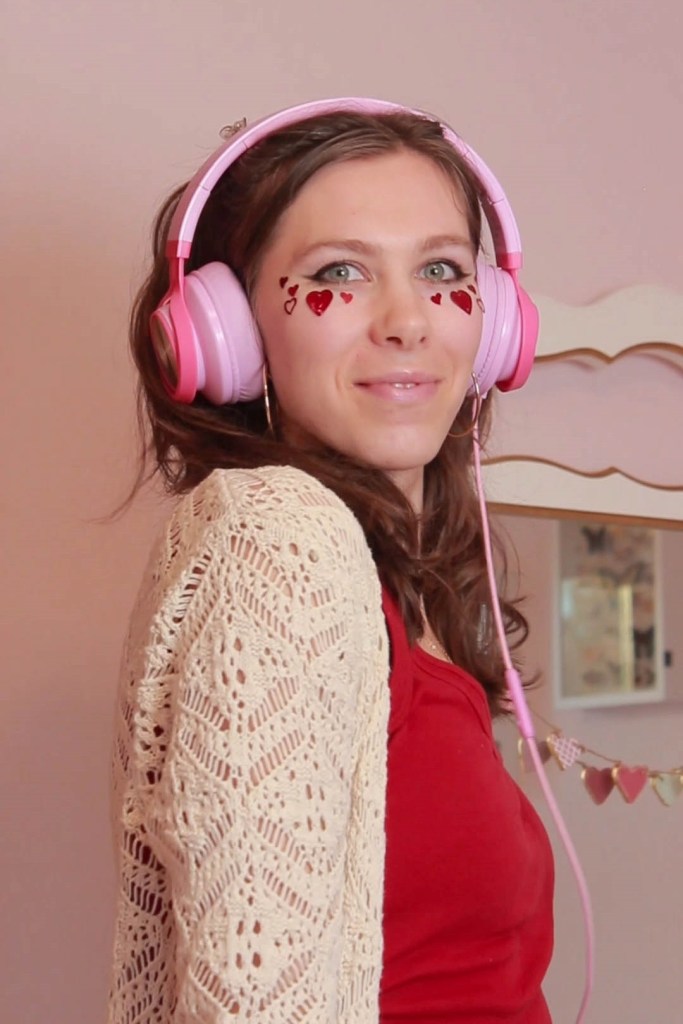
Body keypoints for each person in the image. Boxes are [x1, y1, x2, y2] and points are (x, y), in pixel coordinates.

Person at [107, 98, 554, 1024]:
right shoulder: (277, 540)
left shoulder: (397, 595)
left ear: (493, 321)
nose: (407, 321)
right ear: (229, 331)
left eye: (440, 270)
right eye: (339, 273)